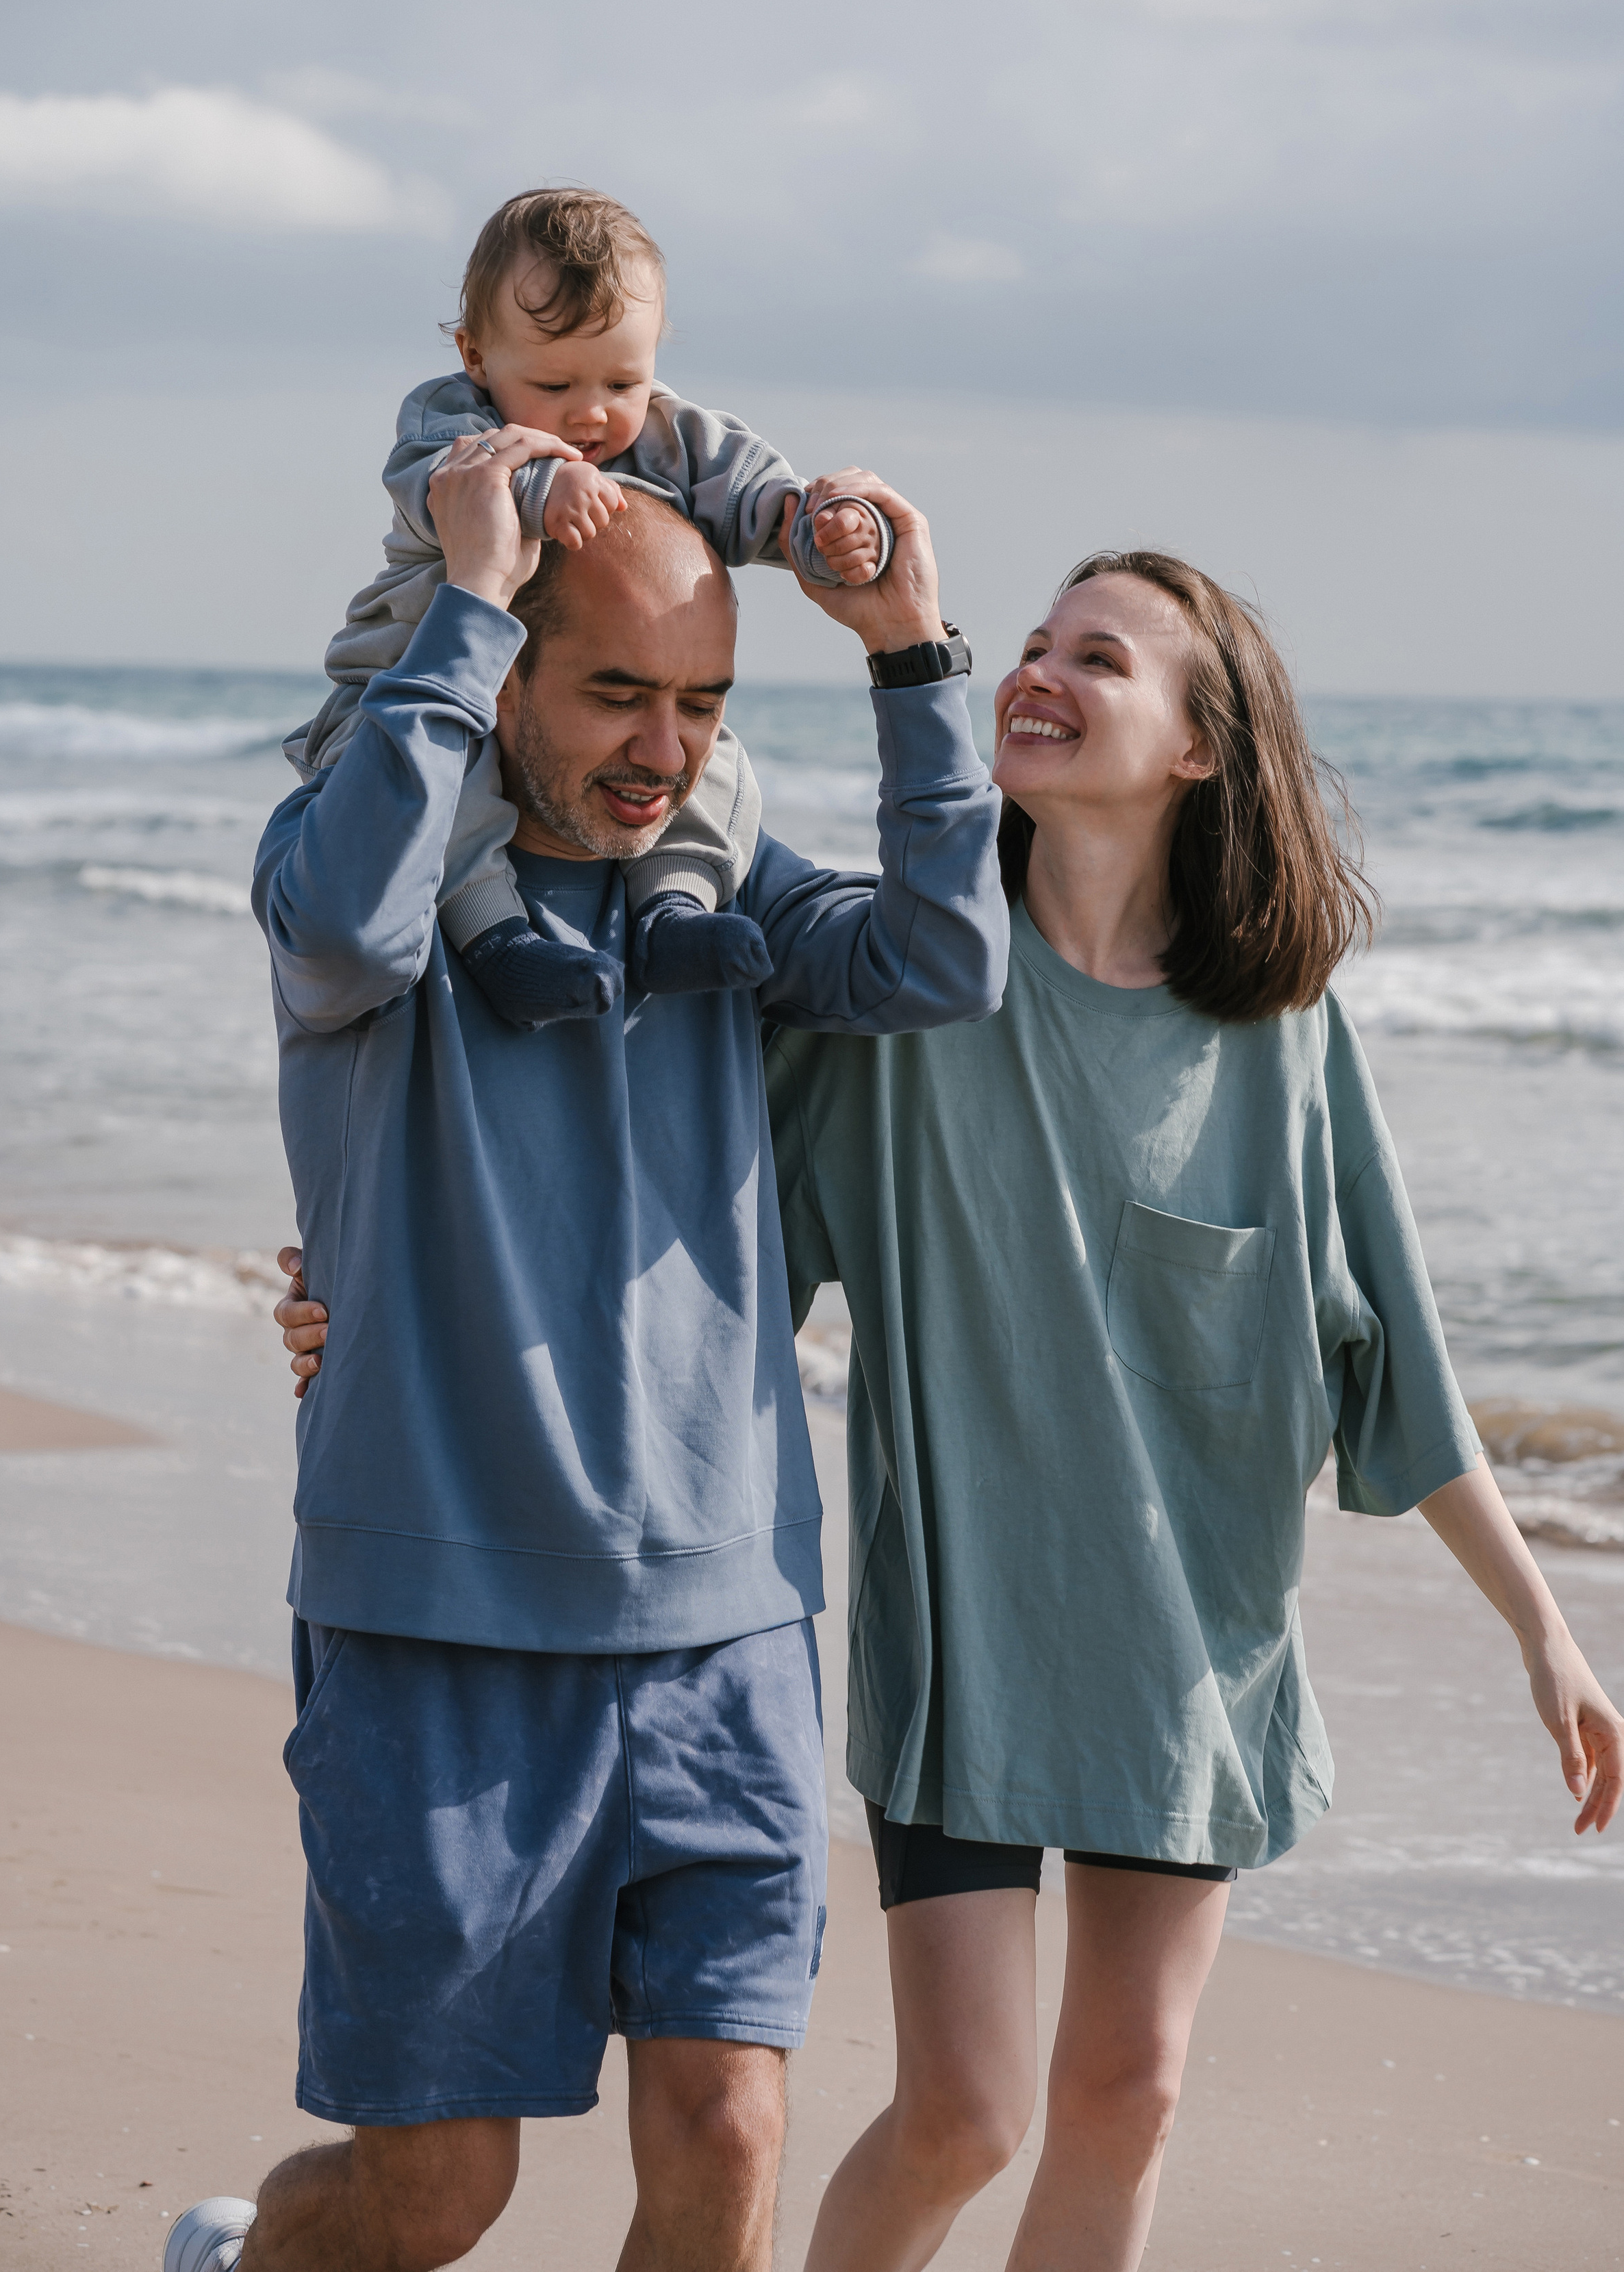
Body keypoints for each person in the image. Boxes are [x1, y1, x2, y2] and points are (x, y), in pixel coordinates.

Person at [165, 443, 1006, 2272]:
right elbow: (337, 930)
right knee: (436, 2198)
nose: (665, 747)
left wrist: (912, 654)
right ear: (501, 678)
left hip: (727, 1630)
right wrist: (462, 595)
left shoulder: (730, 893)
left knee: (724, 2134)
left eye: (703, 700)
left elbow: (947, 962)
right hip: (436, 1641)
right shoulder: (365, 887)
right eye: (617, 691)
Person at [765, 551, 1624, 2272]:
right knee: (968, 2111)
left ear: (1195, 749)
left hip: (1185, 1654)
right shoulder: (909, 984)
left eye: (1099, 655)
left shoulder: (1282, 1030)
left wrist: (1541, 1630)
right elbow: (686, 1254)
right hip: (963, 1639)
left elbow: (1395, 1351)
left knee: (1129, 2092)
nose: (1038, 669)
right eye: (1030, 643)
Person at [286, 184, 891, 1031]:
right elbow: (443, 490)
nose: (593, 412)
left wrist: (824, 529)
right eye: (554, 382)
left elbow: (751, 491)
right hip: (414, 686)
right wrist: (540, 482)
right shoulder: (449, 422)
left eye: (623, 379)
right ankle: (498, 939)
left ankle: (673, 911)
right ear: (475, 356)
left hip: (552, 701)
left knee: (704, 757)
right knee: (447, 788)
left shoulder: (666, 434)